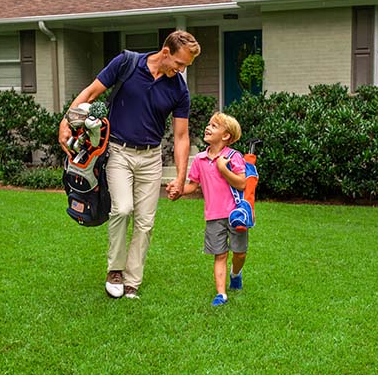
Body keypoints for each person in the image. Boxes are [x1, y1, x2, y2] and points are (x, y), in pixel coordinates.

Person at [58, 30, 201, 299]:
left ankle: (133, 281)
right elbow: (91, 92)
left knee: (145, 222)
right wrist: (66, 121)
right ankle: (115, 270)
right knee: (122, 209)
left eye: (186, 67)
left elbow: (181, 136)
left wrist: (181, 178)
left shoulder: (179, 88)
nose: (182, 70)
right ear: (166, 52)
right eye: (180, 64)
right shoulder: (127, 63)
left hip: (151, 157)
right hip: (118, 152)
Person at [173, 112, 248, 306]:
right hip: (213, 215)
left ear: (226, 136)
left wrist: (224, 169)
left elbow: (242, 184)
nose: (208, 127)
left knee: (239, 253)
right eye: (209, 124)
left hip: (236, 215)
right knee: (220, 254)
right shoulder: (199, 159)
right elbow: (193, 185)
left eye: (214, 126)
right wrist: (180, 190)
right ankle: (221, 294)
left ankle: (236, 273)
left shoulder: (234, 157)